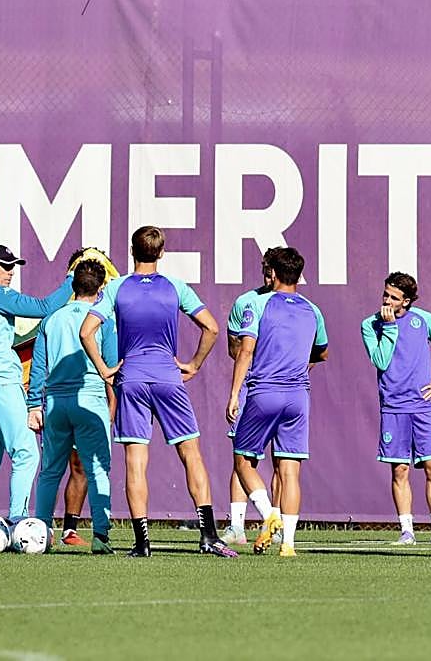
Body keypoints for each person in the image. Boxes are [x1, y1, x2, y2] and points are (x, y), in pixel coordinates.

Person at [81, 225, 235, 558]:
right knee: (191, 455)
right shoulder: (176, 288)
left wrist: (104, 369)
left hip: (132, 378)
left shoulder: (117, 287)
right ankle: (208, 536)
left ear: (132, 251)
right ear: (161, 253)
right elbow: (212, 327)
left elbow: (86, 332)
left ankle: (143, 543)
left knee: (135, 462)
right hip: (168, 376)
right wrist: (193, 363)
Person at [228, 247, 328, 558]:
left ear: (272, 274)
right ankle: (288, 544)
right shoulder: (313, 310)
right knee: (290, 471)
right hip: (298, 397)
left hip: (264, 392)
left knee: (243, 461)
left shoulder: (258, 304)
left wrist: (234, 394)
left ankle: (268, 514)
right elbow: (322, 352)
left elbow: (245, 351)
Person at [0, 244, 73, 520]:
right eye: (5, 266)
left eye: (13, 266)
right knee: (26, 453)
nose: (11, 272)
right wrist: (72, 278)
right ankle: (18, 520)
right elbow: (46, 307)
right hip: (1, 384)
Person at [28, 258, 117, 554]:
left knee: (50, 471)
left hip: (55, 401)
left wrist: (34, 405)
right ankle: (100, 537)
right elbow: (111, 366)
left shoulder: (52, 319)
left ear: (73, 286)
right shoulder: (102, 319)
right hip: (90, 398)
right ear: (101, 287)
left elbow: (38, 367)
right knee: (98, 469)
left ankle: (39, 535)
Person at [361, 271, 431, 546]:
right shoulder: (370, 324)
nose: (387, 301)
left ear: (408, 301)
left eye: (394, 297)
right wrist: (389, 328)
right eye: (385, 295)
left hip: (423, 407)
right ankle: (407, 531)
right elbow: (380, 360)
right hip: (393, 407)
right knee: (400, 470)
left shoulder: (423, 320)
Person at [222, 250, 281, 547]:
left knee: (283, 461)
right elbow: (236, 349)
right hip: (250, 387)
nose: (267, 276)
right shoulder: (247, 302)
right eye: (264, 270)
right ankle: (236, 527)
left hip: (282, 388)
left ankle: (278, 522)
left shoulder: (297, 306)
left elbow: (310, 351)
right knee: (242, 457)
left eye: (271, 270)